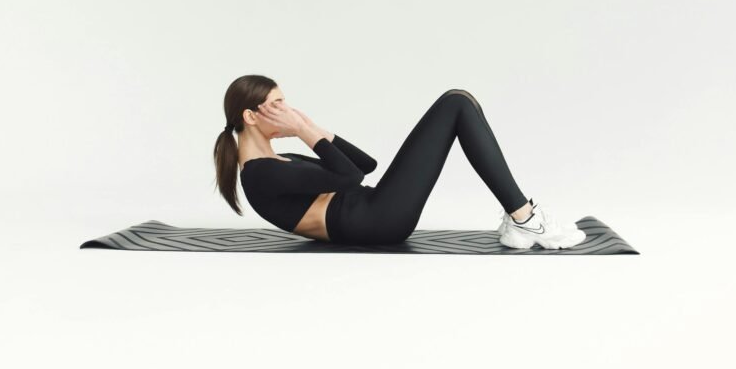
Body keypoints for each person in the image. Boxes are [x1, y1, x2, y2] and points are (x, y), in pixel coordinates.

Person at [213, 74, 586, 249]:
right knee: (454, 104)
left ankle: (521, 219)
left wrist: (307, 126)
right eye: (277, 105)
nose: (287, 110)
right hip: (377, 220)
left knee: (459, 99)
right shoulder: (260, 174)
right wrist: (304, 132)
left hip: (375, 209)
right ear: (250, 116)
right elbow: (349, 177)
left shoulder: (278, 159)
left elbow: (367, 164)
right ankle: (525, 220)